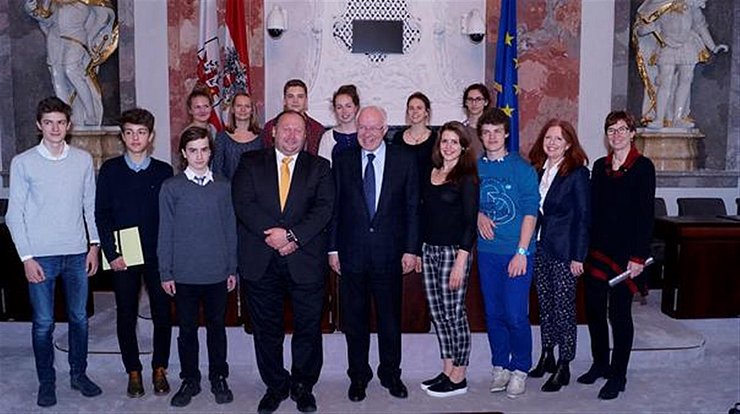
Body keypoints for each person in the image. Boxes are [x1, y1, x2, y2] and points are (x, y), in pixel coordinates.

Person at [232, 110, 334, 414]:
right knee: (267, 329)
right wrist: (274, 236)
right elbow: (243, 202)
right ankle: (275, 385)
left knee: (307, 328)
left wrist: (292, 236)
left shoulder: (320, 167)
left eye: (298, 131)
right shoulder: (250, 162)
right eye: (286, 129)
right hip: (260, 259)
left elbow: (324, 208)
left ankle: (303, 386)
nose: (291, 135)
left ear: (306, 136)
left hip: (304, 260)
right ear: (273, 131)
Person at [6, 96, 103, 407]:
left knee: (79, 319)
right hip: (41, 257)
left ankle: (78, 375)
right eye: (48, 123)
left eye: (61, 122)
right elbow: (14, 214)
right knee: (44, 323)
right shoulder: (23, 162)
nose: (55, 128)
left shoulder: (83, 160)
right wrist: (26, 257)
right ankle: (46, 382)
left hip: (76, 253)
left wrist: (94, 245)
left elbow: (91, 206)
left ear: (69, 125)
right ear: (39, 126)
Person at [330, 106, 420, 402]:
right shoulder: (341, 159)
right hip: (351, 254)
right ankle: (358, 376)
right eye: (362, 128)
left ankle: (390, 374)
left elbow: (411, 208)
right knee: (354, 321)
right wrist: (333, 249)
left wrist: (410, 249)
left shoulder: (404, 160)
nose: (367, 134)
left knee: (389, 320)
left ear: (384, 129)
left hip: (390, 255)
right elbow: (335, 208)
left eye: (373, 128)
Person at [95, 108, 174, 398]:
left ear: (150, 136)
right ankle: (134, 371)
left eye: (141, 132)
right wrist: (111, 252)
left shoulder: (164, 171)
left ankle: (159, 368)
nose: (135, 138)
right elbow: (101, 214)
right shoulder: (111, 170)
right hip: (123, 256)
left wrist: (170, 256)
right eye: (129, 132)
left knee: (162, 313)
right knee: (126, 314)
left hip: (157, 254)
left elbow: (171, 217)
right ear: (123, 136)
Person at [577, 110, 655, 400]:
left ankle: (618, 375)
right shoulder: (599, 166)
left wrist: (638, 256)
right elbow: (592, 210)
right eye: (612, 130)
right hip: (598, 250)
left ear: (632, 133)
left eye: (623, 129)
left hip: (626, 256)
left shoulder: (643, 167)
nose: (617, 135)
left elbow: (646, 215)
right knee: (595, 310)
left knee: (619, 315)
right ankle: (600, 364)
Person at [157, 127, 237, 408]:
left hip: (216, 272)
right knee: (187, 330)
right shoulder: (172, 188)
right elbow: (165, 232)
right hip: (184, 274)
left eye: (204, 149)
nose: (199, 155)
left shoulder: (224, 186)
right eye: (193, 150)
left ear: (211, 152)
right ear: (183, 154)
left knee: (217, 328)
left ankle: (218, 376)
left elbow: (230, 229)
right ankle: (190, 378)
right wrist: (165, 271)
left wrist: (232, 268)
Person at [476, 107, 539, 399]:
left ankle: (521, 367)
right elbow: (463, 202)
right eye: (486, 132)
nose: (491, 137)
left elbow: (530, 212)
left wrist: (522, 251)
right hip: (487, 253)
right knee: (493, 313)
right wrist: (477, 213)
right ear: (481, 135)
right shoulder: (475, 169)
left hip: (517, 253)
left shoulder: (522, 169)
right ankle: (500, 364)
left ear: (506, 134)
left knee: (515, 314)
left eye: (497, 131)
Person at [526, 119, 590, 392]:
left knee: (564, 309)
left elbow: (584, 217)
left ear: (568, 144)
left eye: (558, 139)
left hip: (565, 251)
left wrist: (579, 256)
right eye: (548, 138)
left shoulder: (577, 173)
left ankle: (565, 363)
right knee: (545, 305)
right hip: (539, 247)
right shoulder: (538, 170)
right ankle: (547, 354)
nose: (552, 143)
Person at [418, 121, 479, 398]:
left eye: (455, 142)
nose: (449, 146)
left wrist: (461, 261)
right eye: (445, 141)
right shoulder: (430, 172)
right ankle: (446, 370)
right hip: (429, 251)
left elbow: (469, 223)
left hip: (454, 253)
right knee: (439, 315)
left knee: (454, 315)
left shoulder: (467, 178)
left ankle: (460, 376)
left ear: (463, 146)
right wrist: (419, 251)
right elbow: (424, 215)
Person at [635, 0, 729, 129]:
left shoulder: (691, 6)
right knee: (665, 81)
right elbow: (642, 28)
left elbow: (700, 27)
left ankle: (678, 118)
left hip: (687, 45)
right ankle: (659, 118)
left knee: (686, 80)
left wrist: (713, 47)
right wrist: (647, 28)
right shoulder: (660, 5)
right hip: (667, 45)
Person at [24, 0, 117, 126]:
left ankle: (91, 114)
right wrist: (32, 7)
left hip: (75, 39)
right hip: (55, 40)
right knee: (57, 77)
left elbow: (96, 15)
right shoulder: (53, 3)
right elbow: (46, 18)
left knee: (72, 71)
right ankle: (64, 116)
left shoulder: (81, 4)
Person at [263, 79, 325, 155]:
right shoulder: (270, 126)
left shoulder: (317, 129)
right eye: (290, 96)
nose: (295, 101)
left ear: (306, 101)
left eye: (300, 96)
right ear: (284, 101)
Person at [212, 91, 263, 179]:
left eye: (247, 106)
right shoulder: (222, 137)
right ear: (232, 109)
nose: (243, 110)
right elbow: (217, 170)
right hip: (228, 190)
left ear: (252, 111)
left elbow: (264, 169)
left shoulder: (262, 136)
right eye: (239, 106)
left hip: (255, 190)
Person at [392, 92, 436, 183]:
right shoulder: (398, 138)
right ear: (407, 112)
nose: (415, 111)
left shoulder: (436, 138)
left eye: (419, 108)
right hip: (403, 191)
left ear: (426, 112)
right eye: (411, 108)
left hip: (427, 191)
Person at [317, 84, 360, 165]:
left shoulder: (365, 133)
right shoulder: (327, 137)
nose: (344, 111)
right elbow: (323, 169)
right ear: (334, 110)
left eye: (348, 106)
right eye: (339, 107)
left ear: (356, 107)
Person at [461, 83, 489, 156]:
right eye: (470, 99)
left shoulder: (491, 130)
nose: (474, 103)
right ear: (466, 102)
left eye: (478, 99)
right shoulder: (460, 130)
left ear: (486, 102)